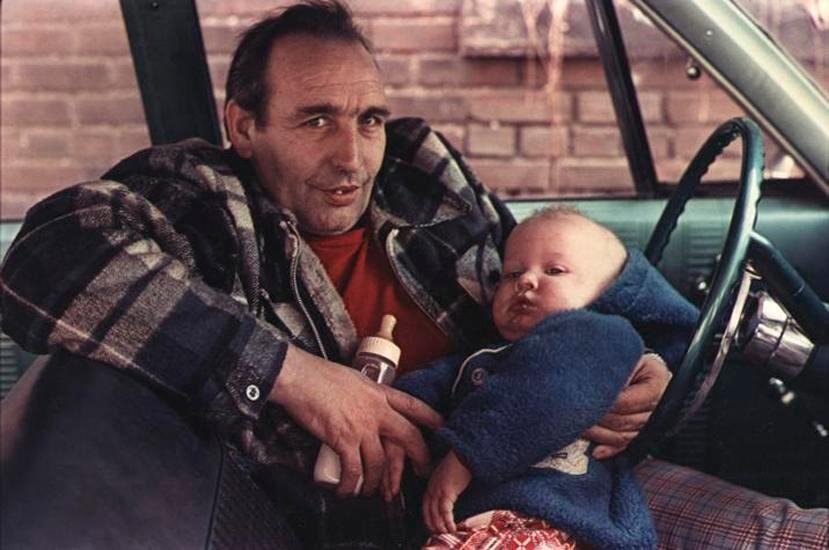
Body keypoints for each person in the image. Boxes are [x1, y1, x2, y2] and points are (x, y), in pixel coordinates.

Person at [1, 1, 824, 548]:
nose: (352, 156)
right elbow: (42, 262)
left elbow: (547, 277)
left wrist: (644, 364)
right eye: (316, 120)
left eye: (368, 119)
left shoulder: (420, 170)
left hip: (558, 470)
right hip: (398, 521)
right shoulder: (199, 202)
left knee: (786, 536)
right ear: (244, 125)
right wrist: (294, 376)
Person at [387, 207, 697, 549]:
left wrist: (465, 457)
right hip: (475, 524)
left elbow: (547, 391)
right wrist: (394, 428)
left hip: (549, 518)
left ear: (606, 293)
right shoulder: (479, 358)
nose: (525, 281)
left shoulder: (602, 336)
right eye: (511, 273)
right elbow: (422, 392)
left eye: (554, 271)